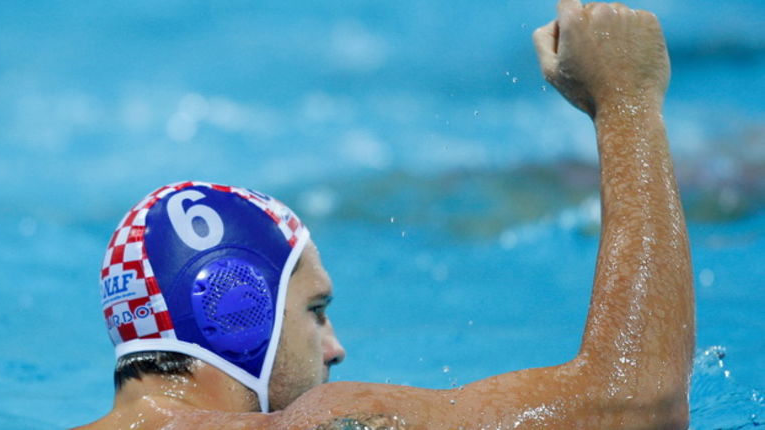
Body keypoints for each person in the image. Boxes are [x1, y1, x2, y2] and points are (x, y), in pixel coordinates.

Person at [78, 0, 694, 428]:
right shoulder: (329, 425)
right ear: (235, 312)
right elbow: (640, 405)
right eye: (315, 311)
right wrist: (627, 103)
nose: (336, 347)